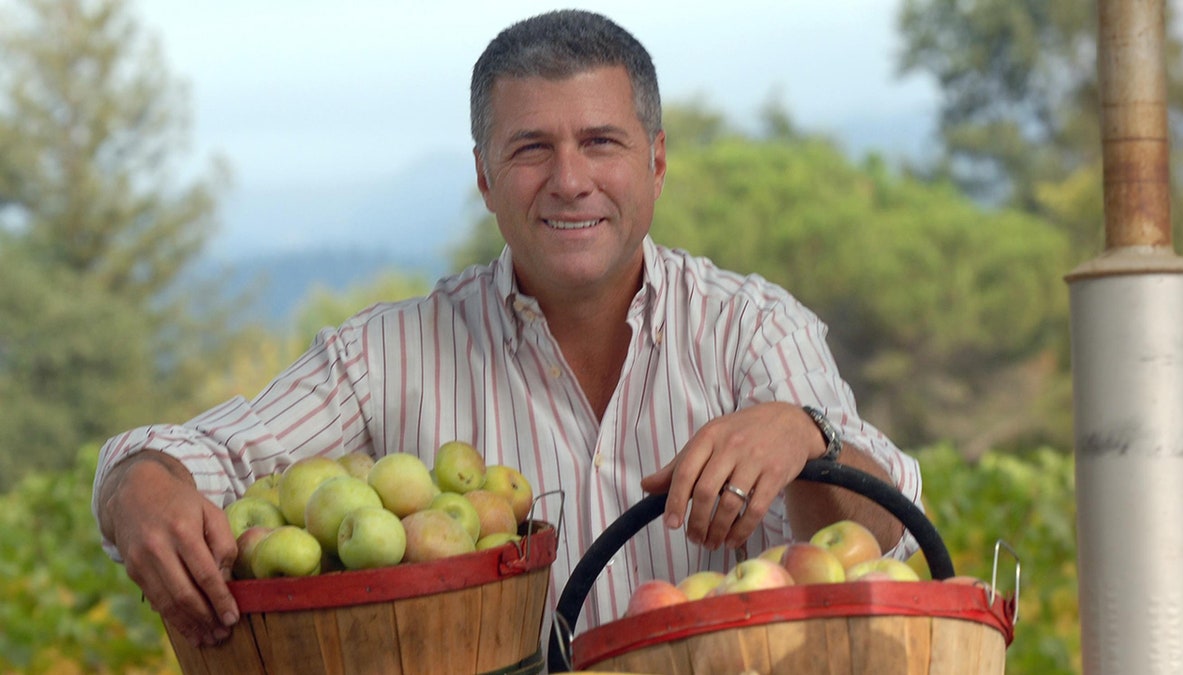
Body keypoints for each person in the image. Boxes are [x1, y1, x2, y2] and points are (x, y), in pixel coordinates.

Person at [93, 8, 922, 652]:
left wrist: (806, 437)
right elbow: (206, 453)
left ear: (657, 163)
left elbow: (883, 535)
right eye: (532, 149)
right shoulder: (385, 356)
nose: (569, 180)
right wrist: (140, 484)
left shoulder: (752, 329)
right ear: (486, 177)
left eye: (601, 142)